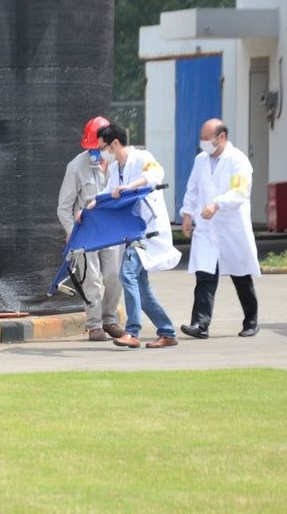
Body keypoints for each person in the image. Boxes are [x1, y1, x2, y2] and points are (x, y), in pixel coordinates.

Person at [96, 123, 181, 349]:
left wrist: (131, 186)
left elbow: (155, 173)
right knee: (141, 287)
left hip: (147, 231)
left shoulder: (142, 157)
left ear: (115, 143)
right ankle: (167, 331)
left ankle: (132, 332)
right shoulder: (115, 168)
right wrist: (90, 205)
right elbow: (108, 192)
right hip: (131, 232)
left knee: (127, 275)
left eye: (103, 148)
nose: (102, 153)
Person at [179, 119, 260, 338]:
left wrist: (217, 204)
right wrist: (187, 213)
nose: (203, 143)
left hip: (231, 228)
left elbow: (240, 191)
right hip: (207, 228)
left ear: (221, 137)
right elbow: (193, 189)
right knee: (204, 275)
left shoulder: (238, 160)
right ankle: (200, 324)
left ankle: (251, 321)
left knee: (241, 276)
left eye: (207, 139)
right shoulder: (201, 160)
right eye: (202, 139)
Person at [57, 115, 125, 342]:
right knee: (92, 278)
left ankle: (110, 319)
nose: (96, 152)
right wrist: (71, 231)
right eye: (92, 148)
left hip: (112, 231)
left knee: (115, 276)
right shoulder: (77, 166)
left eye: (99, 147)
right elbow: (64, 207)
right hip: (86, 232)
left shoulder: (119, 164)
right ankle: (95, 325)